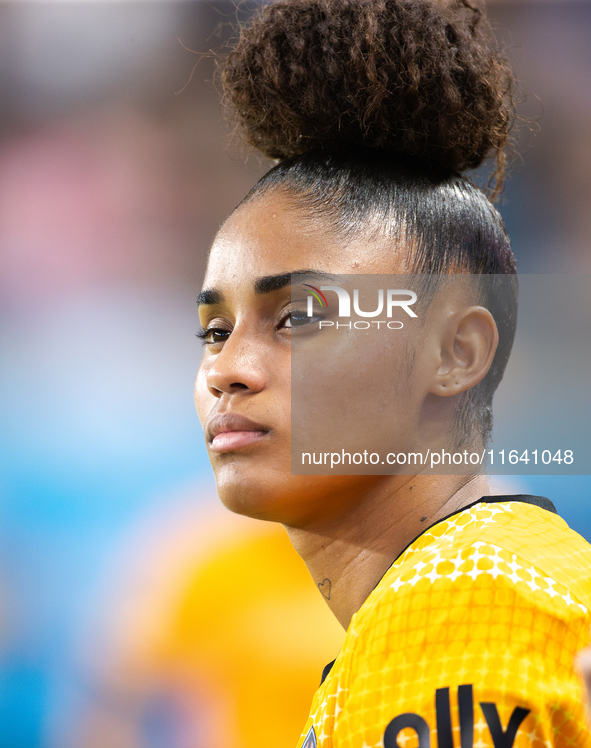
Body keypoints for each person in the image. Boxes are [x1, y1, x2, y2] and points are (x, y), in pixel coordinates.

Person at [193, 0, 591, 745]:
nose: (228, 371)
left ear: (455, 354)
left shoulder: (457, 599)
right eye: (214, 331)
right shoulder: (460, 587)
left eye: (298, 318)